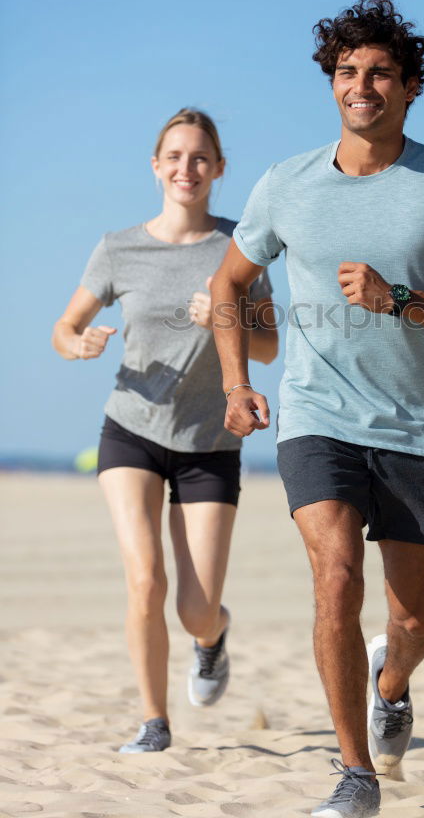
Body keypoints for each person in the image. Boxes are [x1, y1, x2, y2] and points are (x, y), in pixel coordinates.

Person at [211, 0, 424, 817]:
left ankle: (392, 681)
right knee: (336, 578)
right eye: (347, 72)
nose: (362, 85)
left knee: (415, 615)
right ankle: (355, 773)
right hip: (317, 415)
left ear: (411, 86)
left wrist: (405, 302)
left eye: (380, 72)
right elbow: (227, 283)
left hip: (418, 424)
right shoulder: (287, 183)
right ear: (332, 83)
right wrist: (238, 381)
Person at [52, 108, 277, 753]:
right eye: (175, 156)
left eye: (200, 157)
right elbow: (63, 328)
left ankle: (211, 640)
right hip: (132, 430)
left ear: (219, 169)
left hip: (211, 443)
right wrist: (79, 343)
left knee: (195, 609)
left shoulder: (241, 247)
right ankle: (154, 722)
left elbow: (266, 346)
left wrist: (223, 322)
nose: (187, 168)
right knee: (146, 579)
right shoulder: (119, 247)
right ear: (156, 166)